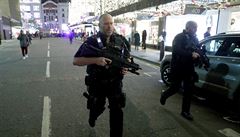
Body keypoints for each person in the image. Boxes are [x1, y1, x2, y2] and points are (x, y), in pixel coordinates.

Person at [73, 13, 130, 137]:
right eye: (106, 24)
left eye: (111, 23)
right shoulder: (92, 41)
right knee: (97, 107)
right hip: (97, 83)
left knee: (117, 111)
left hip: (115, 83)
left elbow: (127, 58)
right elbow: (76, 61)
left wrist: (125, 67)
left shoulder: (121, 41)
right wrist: (96, 60)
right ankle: (93, 117)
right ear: (99, 25)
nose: (109, 26)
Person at [160, 21, 200, 121]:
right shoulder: (179, 37)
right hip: (178, 67)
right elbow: (177, 50)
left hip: (189, 68)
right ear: (187, 28)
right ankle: (164, 95)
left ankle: (185, 111)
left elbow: (197, 49)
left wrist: (199, 56)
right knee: (175, 88)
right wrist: (190, 54)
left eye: (196, 28)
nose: (195, 30)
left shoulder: (195, 38)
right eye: (193, 28)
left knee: (188, 91)